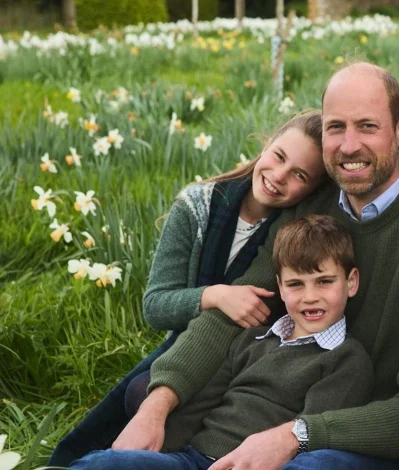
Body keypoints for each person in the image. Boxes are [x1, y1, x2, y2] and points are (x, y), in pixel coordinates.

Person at [127, 61, 399, 470]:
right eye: (336, 127)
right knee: (141, 402)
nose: (349, 145)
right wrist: (157, 404)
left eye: (367, 126)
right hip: (274, 409)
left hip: (363, 438)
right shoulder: (311, 208)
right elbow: (241, 308)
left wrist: (296, 435)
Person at [48, 111, 327, 467]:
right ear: (266, 145)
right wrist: (215, 295)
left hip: (249, 355)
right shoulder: (196, 206)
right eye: (278, 156)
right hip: (191, 346)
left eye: (300, 175)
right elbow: (156, 306)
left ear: (313, 189)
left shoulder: (292, 229)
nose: (279, 176)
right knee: (139, 393)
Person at [68, 215, 374, 470]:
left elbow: (312, 433)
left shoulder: (346, 358)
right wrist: (152, 449)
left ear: (351, 282)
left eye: (324, 281)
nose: (310, 296)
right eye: (296, 284)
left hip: (256, 465)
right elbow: (202, 402)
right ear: (279, 287)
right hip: (193, 459)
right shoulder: (253, 338)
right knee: (104, 464)